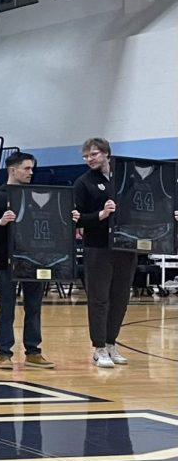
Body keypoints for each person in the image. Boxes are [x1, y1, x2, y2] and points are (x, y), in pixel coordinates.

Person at [0, 152, 54, 371]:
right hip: (8, 261)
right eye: (27, 168)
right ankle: (4, 353)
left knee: (34, 307)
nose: (31, 172)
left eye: (32, 168)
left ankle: (33, 352)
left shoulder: (36, 195)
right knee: (7, 307)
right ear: (13, 170)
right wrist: (1, 223)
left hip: (34, 260)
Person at [74, 137, 137, 369]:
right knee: (99, 298)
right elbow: (76, 218)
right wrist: (100, 215)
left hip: (126, 247)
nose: (90, 159)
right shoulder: (83, 183)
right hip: (97, 247)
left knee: (120, 298)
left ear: (106, 154)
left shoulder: (125, 179)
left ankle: (111, 343)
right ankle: (98, 347)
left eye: (94, 154)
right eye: (86, 156)